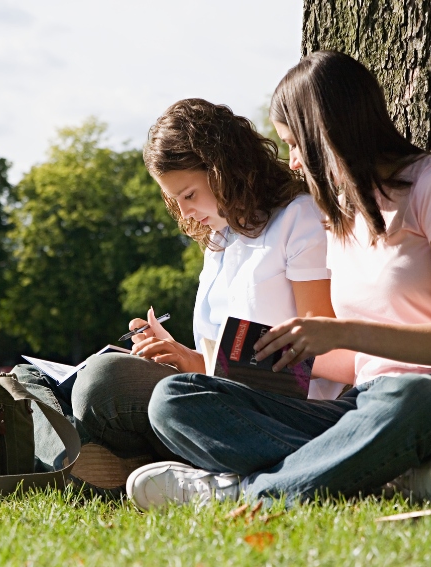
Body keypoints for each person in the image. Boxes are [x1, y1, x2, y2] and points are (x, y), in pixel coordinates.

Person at [127, 51, 431, 509]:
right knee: (173, 401)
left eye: (294, 143)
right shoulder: (341, 217)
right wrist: (265, 352)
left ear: (327, 131)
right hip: (360, 406)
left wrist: (338, 332)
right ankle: (384, 473)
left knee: (411, 398)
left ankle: (246, 495)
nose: (291, 162)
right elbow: (353, 369)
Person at [66, 98, 338, 496]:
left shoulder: (299, 220)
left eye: (189, 194)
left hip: (284, 411)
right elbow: (217, 348)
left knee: (105, 384)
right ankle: (149, 465)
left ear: (224, 168)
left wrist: (201, 362)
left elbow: (325, 354)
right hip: (217, 394)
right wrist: (173, 351)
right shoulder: (220, 238)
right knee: (79, 379)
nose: (186, 212)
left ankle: (152, 467)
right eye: (174, 200)